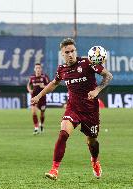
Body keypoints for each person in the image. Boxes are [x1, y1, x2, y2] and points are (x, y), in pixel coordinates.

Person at [31, 38, 113, 180]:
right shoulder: (62, 69)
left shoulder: (88, 62)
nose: (70, 54)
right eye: (67, 52)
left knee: (92, 141)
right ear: (62, 54)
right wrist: (38, 96)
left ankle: (94, 161)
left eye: (72, 51)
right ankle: (54, 170)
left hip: (90, 110)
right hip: (73, 108)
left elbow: (108, 75)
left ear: (76, 51)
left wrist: (97, 90)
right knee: (63, 134)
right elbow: (53, 83)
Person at [27, 63, 50, 134]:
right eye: (36, 68)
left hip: (42, 97)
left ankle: (42, 125)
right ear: (34, 69)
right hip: (34, 97)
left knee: (42, 113)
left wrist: (43, 86)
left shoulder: (44, 77)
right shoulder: (32, 77)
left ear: (41, 69)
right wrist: (29, 90)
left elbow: (49, 86)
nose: (38, 69)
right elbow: (28, 84)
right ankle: (36, 128)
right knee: (33, 112)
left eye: (39, 68)